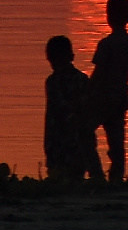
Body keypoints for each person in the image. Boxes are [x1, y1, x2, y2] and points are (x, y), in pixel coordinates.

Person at [90, 0, 128, 183]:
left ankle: (96, 173)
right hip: (120, 96)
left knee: (84, 131)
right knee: (117, 140)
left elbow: (100, 71)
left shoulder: (106, 44)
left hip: (103, 96)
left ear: (108, 16)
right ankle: (116, 176)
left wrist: (88, 92)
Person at [43, 36, 102, 183]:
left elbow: (58, 109)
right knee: (78, 170)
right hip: (76, 134)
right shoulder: (82, 79)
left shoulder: (53, 81)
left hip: (61, 136)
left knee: (61, 174)